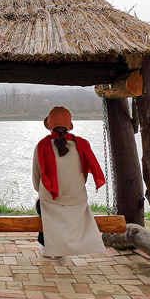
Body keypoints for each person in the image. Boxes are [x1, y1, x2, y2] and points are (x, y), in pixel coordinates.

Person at [32, 106, 106, 258]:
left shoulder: (42, 146)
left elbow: (36, 182)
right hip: (77, 202)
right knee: (54, 203)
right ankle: (58, 246)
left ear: (48, 125)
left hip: (51, 202)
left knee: (41, 203)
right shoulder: (82, 145)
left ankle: (49, 245)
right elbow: (84, 177)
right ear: (69, 125)